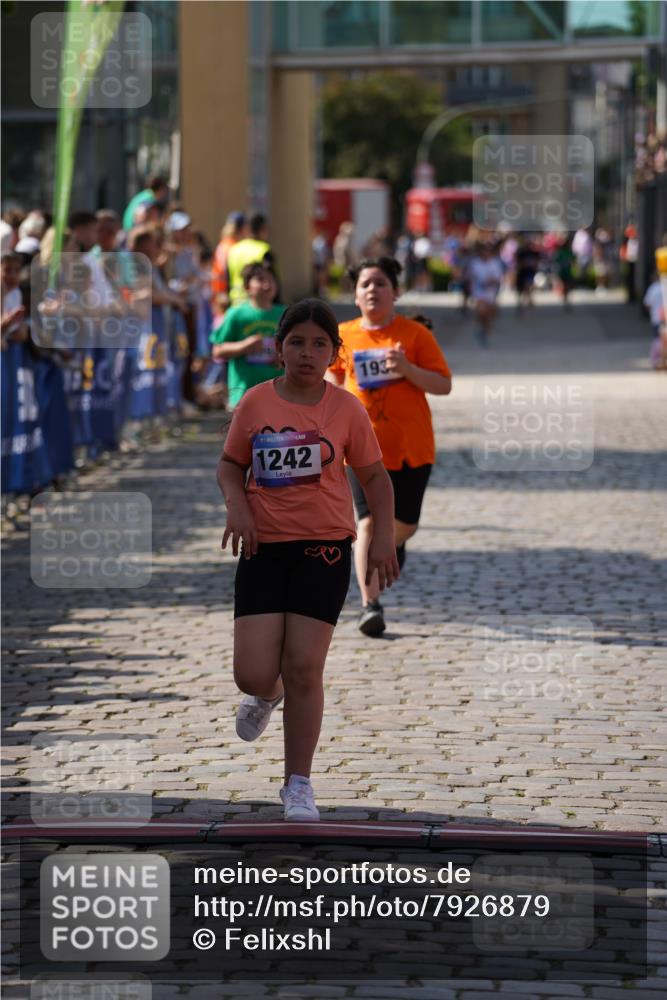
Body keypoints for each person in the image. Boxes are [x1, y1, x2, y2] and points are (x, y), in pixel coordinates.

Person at [217, 298, 398, 821]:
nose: (307, 352)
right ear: (279, 349)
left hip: (324, 549)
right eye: (297, 341)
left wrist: (381, 536)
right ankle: (265, 695)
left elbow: (376, 479)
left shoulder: (345, 409)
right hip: (263, 547)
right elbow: (230, 466)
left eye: (320, 344)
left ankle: (298, 784)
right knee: (253, 674)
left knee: (303, 667)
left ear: (334, 354)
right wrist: (238, 509)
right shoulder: (254, 404)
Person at [327, 256, 452, 636]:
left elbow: (443, 384)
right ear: (354, 294)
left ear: (395, 292)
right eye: (365, 284)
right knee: (365, 522)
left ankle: (392, 545)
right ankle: (370, 604)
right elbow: (330, 381)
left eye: (381, 283)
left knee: (405, 525)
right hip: (361, 451)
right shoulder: (344, 335)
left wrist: (407, 368)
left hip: (412, 447)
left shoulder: (414, 335)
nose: (373, 290)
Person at [209, 263, 283, 408]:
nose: (267, 285)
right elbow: (217, 350)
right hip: (243, 394)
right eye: (261, 280)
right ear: (247, 287)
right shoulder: (236, 314)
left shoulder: (285, 313)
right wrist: (245, 346)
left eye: (271, 280)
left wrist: (282, 358)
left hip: (279, 394)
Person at [226, 213, 276, 306]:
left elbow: (227, 280)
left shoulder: (234, 249)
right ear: (263, 229)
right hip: (257, 304)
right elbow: (273, 279)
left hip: (236, 303)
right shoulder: (264, 250)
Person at [469, 242, 503, 347]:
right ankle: (481, 329)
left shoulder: (494, 263)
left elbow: (498, 278)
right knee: (481, 311)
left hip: (490, 291)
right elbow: (471, 276)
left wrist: (492, 281)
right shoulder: (475, 263)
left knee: (488, 314)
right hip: (479, 291)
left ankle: (484, 330)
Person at [211, 212, 246, 300]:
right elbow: (224, 271)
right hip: (223, 294)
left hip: (220, 292)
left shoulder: (225, 243)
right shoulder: (231, 246)